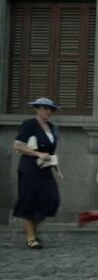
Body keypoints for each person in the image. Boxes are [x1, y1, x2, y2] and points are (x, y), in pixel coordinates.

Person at [12, 97, 63, 249]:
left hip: (46, 169)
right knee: (29, 202)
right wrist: (38, 154)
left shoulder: (52, 127)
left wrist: (58, 170)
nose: (49, 111)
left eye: (51, 109)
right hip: (29, 169)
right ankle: (31, 237)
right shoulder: (29, 125)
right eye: (45, 108)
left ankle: (31, 229)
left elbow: (51, 152)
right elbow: (17, 146)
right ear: (37, 109)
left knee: (52, 201)